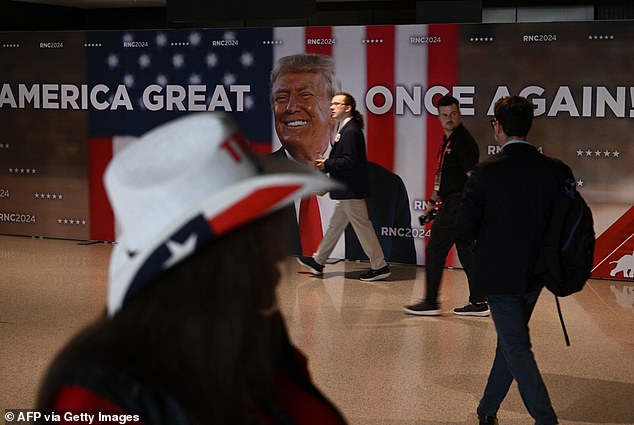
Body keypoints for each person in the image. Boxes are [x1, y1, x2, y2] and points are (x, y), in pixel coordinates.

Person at [37, 113, 348, 425]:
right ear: (215, 266)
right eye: (259, 246)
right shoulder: (99, 401)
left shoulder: (257, 334)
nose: (276, 266)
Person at [457, 95, 572, 425]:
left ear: (498, 127)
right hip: (536, 275)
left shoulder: (485, 172)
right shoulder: (554, 171)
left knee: (516, 346)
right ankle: (488, 407)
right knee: (511, 340)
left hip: (499, 275)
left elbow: (464, 229)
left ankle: (545, 419)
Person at [270, 53, 416, 264]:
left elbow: (405, 269)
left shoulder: (387, 187)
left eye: (305, 95)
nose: (291, 107)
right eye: (281, 98)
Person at [404, 95, 487, 316]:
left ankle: (430, 302)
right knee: (466, 251)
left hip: (458, 204)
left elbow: (473, 179)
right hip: (453, 202)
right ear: (439, 117)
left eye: (453, 114)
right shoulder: (448, 140)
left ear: (459, 114)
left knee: (435, 250)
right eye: (445, 115)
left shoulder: (463, 142)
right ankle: (479, 302)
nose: (449, 118)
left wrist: (470, 208)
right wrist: (432, 202)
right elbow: (443, 177)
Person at [297, 92, 391, 282]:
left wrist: (326, 164)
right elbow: (348, 160)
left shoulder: (350, 131)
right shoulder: (347, 128)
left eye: (337, 104)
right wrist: (328, 161)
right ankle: (318, 261)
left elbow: (350, 161)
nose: (332, 107)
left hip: (351, 190)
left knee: (363, 227)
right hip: (347, 190)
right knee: (335, 227)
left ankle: (379, 266)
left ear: (347, 108)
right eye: (331, 103)